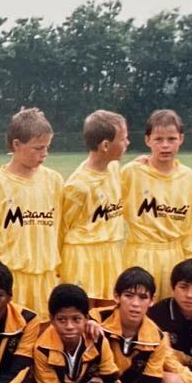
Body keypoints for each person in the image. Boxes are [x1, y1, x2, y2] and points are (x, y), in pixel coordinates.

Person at [0, 108, 63, 319]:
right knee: (15, 334)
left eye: (47, 147)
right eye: (38, 148)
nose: (44, 153)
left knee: (45, 336)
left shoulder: (54, 181)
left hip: (46, 275)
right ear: (16, 145)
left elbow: (59, 227)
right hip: (13, 276)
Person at [121, 110, 192, 298]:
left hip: (175, 255)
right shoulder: (133, 171)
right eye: (158, 139)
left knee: (170, 314)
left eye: (171, 139)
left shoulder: (187, 176)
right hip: (140, 253)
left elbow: (189, 227)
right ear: (147, 140)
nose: (165, 145)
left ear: (181, 139)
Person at [60, 110, 129, 303]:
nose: (127, 143)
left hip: (110, 254)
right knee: (84, 318)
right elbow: (63, 228)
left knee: (109, 317)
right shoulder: (78, 186)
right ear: (106, 145)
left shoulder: (114, 168)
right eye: (123, 139)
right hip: (84, 258)